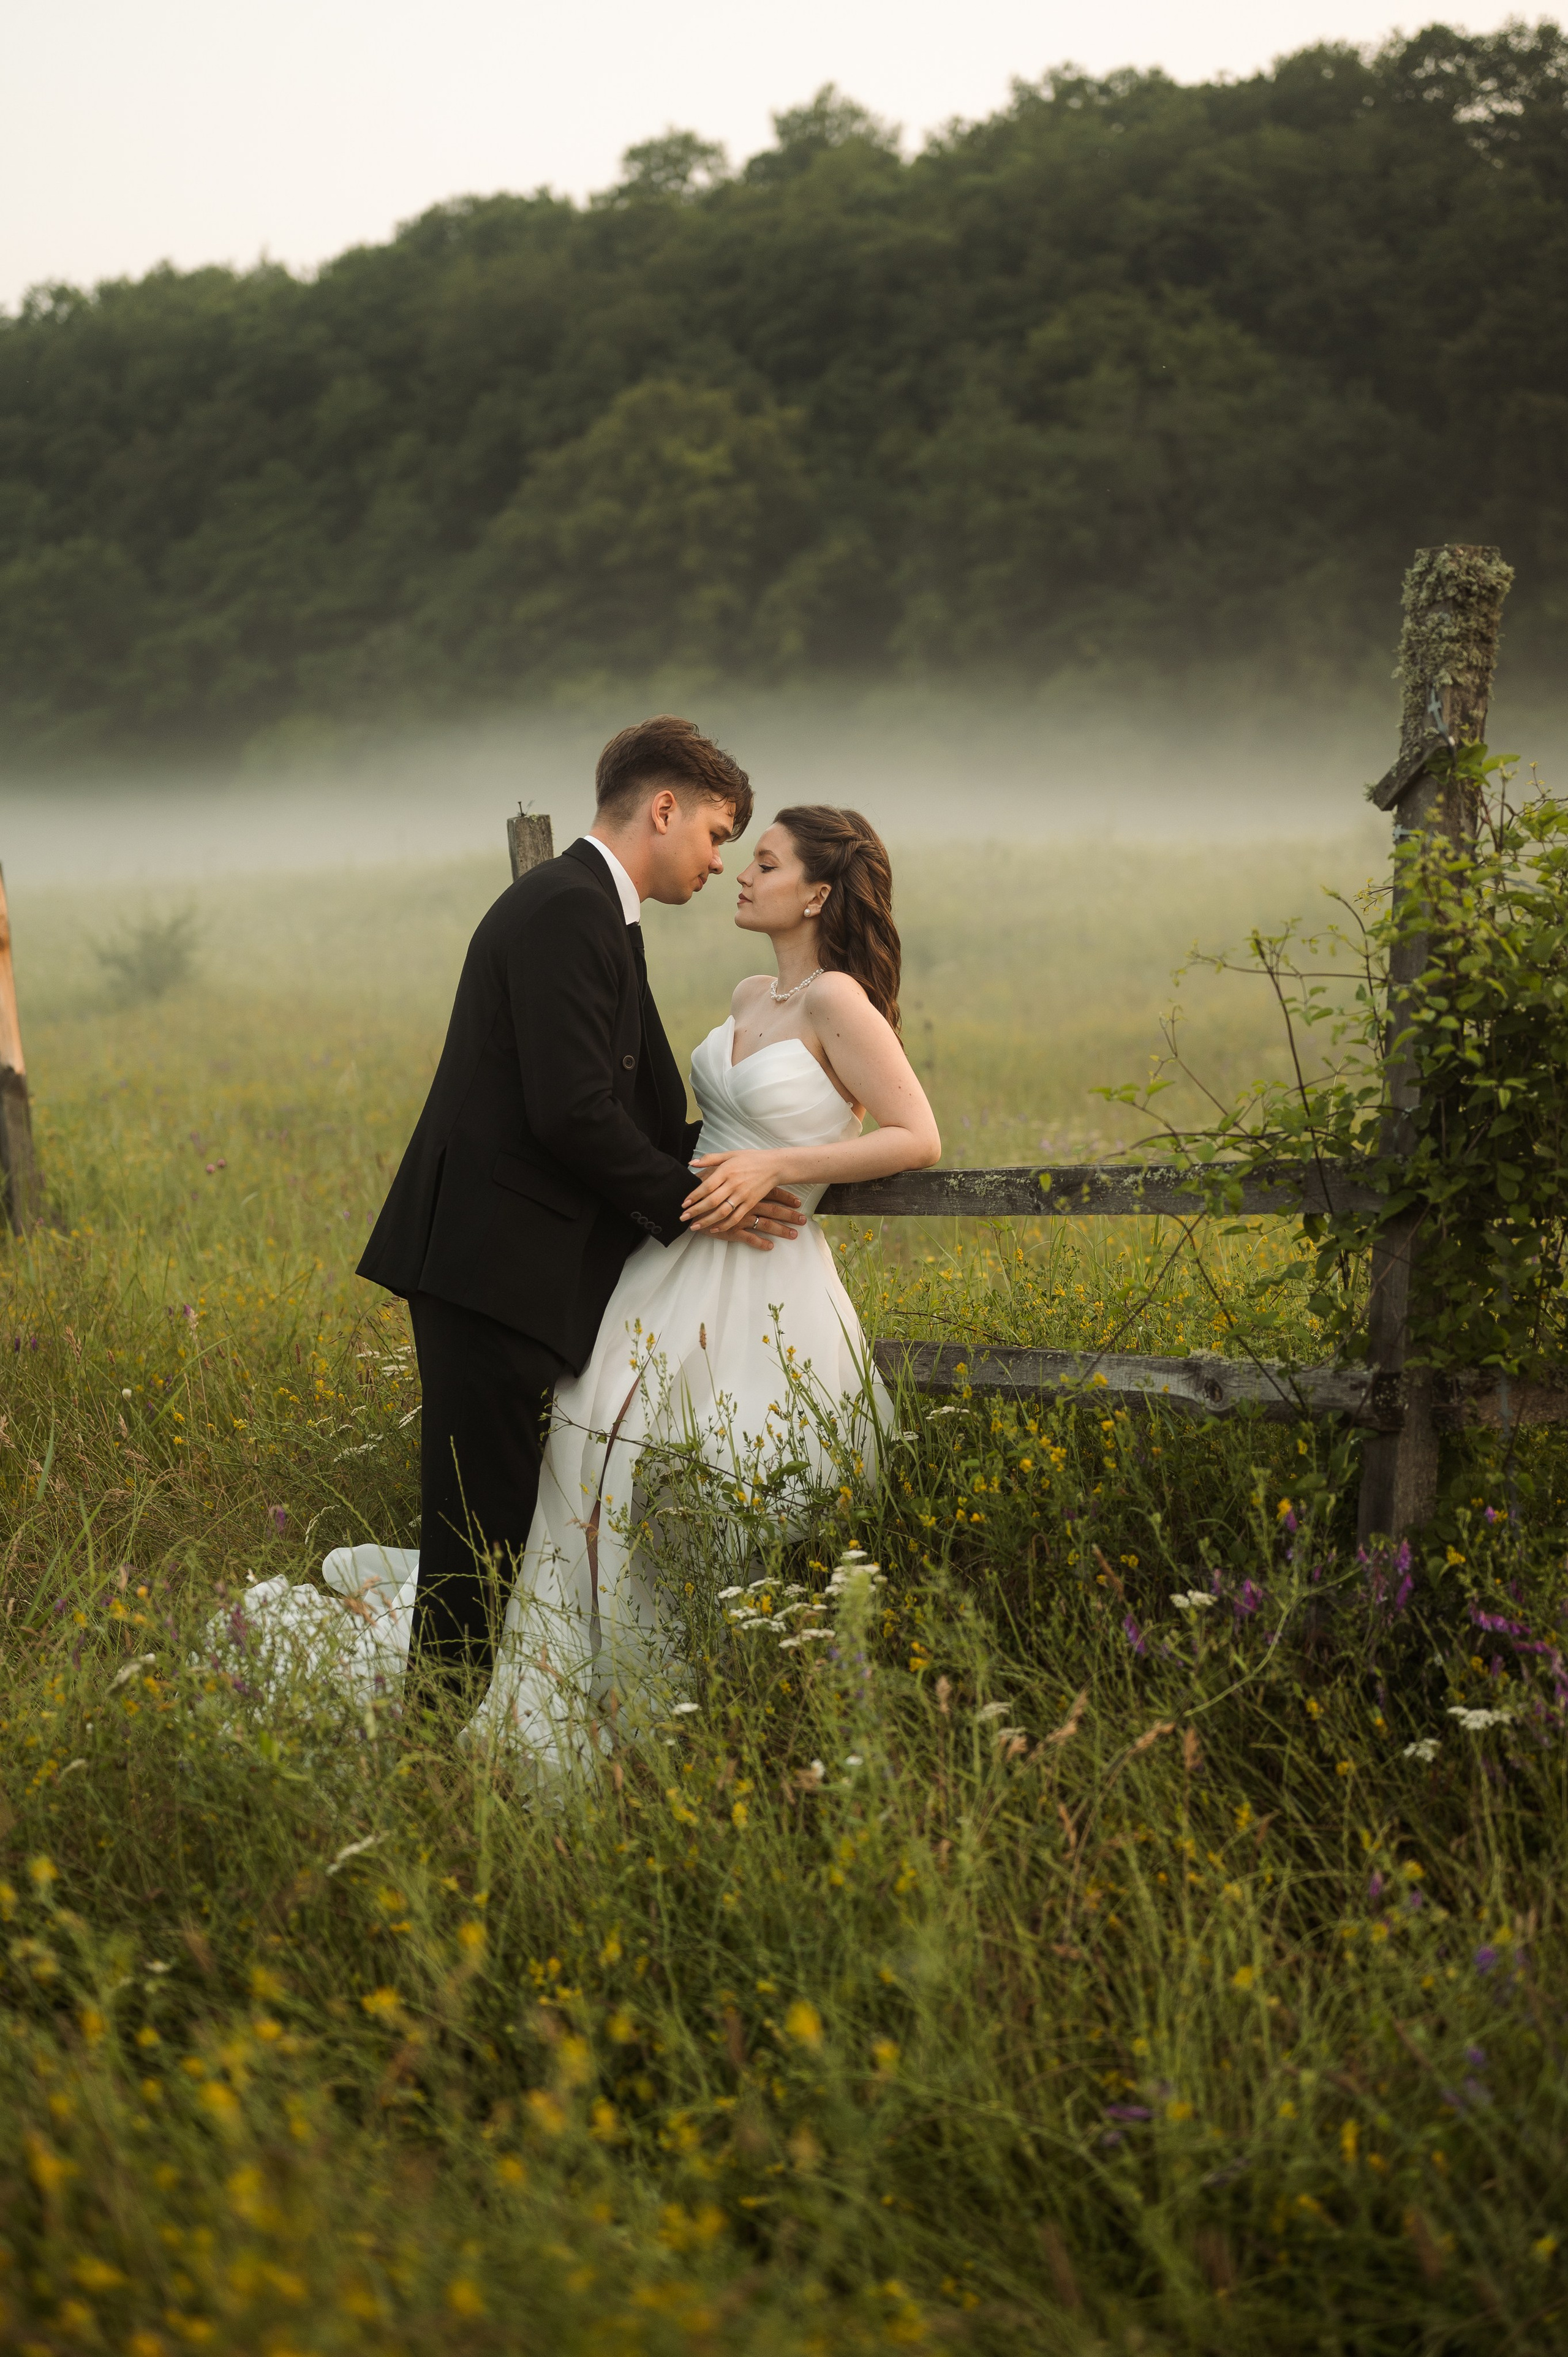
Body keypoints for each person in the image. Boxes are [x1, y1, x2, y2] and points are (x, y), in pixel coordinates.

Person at [227, 788, 941, 1774]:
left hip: (762, 1269)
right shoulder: (747, 997)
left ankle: (703, 1679)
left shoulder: (836, 1002)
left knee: (707, 1473)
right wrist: (709, 1167)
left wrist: (777, 1169)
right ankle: (557, 1666)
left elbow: (918, 1135)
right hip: (673, 1254)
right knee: (592, 1448)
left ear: (820, 895)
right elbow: (655, 1123)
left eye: (765, 862)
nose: (742, 871)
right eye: (739, 849)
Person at [355, 715, 802, 1689]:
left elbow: (614, 1110)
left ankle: (440, 1727)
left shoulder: (594, 910)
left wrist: (760, 1154)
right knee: (479, 1534)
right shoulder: (567, 909)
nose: (718, 858)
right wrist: (696, 1204)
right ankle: (433, 1745)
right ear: (665, 807)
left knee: (487, 1525)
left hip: (504, 1265)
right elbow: (572, 1115)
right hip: (493, 1267)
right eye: (719, 833)